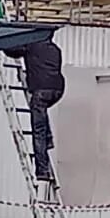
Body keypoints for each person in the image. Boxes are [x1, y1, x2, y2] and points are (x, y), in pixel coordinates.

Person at [4, 40, 65, 180]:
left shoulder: (31, 45)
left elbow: (13, 50)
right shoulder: (56, 49)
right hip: (57, 90)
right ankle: (48, 139)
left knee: (38, 132)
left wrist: (1, 43)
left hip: (41, 91)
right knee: (41, 112)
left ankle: (42, 170)